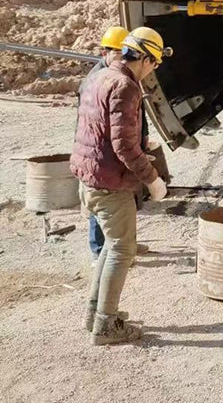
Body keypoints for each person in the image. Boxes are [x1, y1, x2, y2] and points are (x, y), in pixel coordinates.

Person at [70, 26, 173, 345]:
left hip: (91, 177)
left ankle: (95, 313)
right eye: (153, 63)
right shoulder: (125, 86)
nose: (152, 70)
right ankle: (106, 326)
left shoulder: (99, 75)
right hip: (109, 183)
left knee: (112, 246)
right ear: (142, 57)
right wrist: (152, 179)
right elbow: (125, 147)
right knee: (122, 249)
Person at [81, 26, 128, 261]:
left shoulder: (122, 76)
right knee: (100, 202)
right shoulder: (96, 80)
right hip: (99, 151)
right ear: (104, 53)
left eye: (126, 53)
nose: (122, 59)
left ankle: (119, 245)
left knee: (118, 204)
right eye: (117, 53)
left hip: (111, 151)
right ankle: (100, 252)